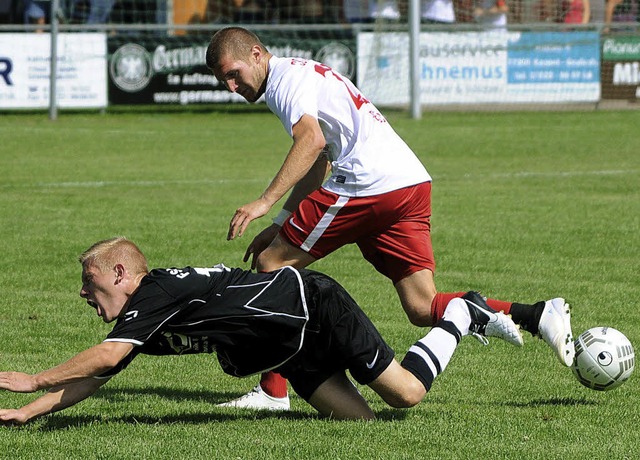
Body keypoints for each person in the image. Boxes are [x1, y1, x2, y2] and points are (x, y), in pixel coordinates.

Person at [205, 26, 575, 410]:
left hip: (369, 183)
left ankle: (274, 391)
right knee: (423, 306)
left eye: (233, 74)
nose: (232, 86)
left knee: (271, 264)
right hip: (409, 182)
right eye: (223, 81)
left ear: (255, 53)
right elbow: (318, 162)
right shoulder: (299, 73)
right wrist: (282, 222)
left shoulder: (284, 80)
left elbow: (311, 142)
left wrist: (265, 202)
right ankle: (536, 315)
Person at [0, 237, 527, 424]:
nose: (83, 293)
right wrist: (28, 411)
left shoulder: (153, 290)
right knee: (362, 424)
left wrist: (34, 378)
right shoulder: (144, 315)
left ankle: (462, 314)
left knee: (406, 396)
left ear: (121, 273)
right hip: (289, 351)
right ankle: (463, 316)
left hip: (313, 307)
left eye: (89, 282)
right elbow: (99, 375)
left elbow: (107, 358)